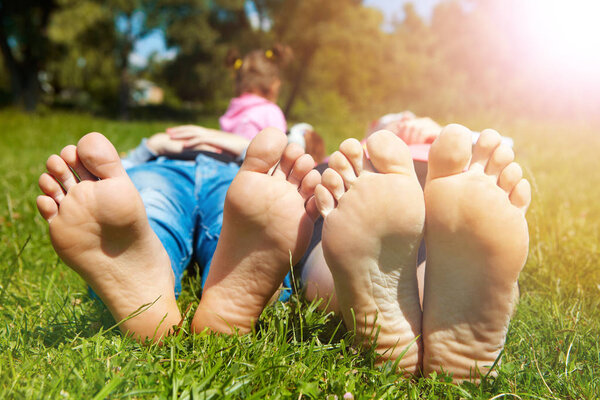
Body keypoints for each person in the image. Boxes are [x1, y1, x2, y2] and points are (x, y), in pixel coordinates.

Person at [37, 123, 530, 382]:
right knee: (136, 208)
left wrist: (192, 141)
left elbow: (292, 144)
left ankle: (164, 286)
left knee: (162, 209)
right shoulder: (166, 149)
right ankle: (168, 281)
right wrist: (156, 145)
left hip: (233, 176)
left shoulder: (258, 140)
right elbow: (114, 164)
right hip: (213, 175)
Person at [121, 44, 292, 169]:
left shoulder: (234, 109)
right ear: (274, 85)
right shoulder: (271, 111)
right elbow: (280, 149)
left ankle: (128, 162)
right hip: (250, 167)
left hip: (219, 162)